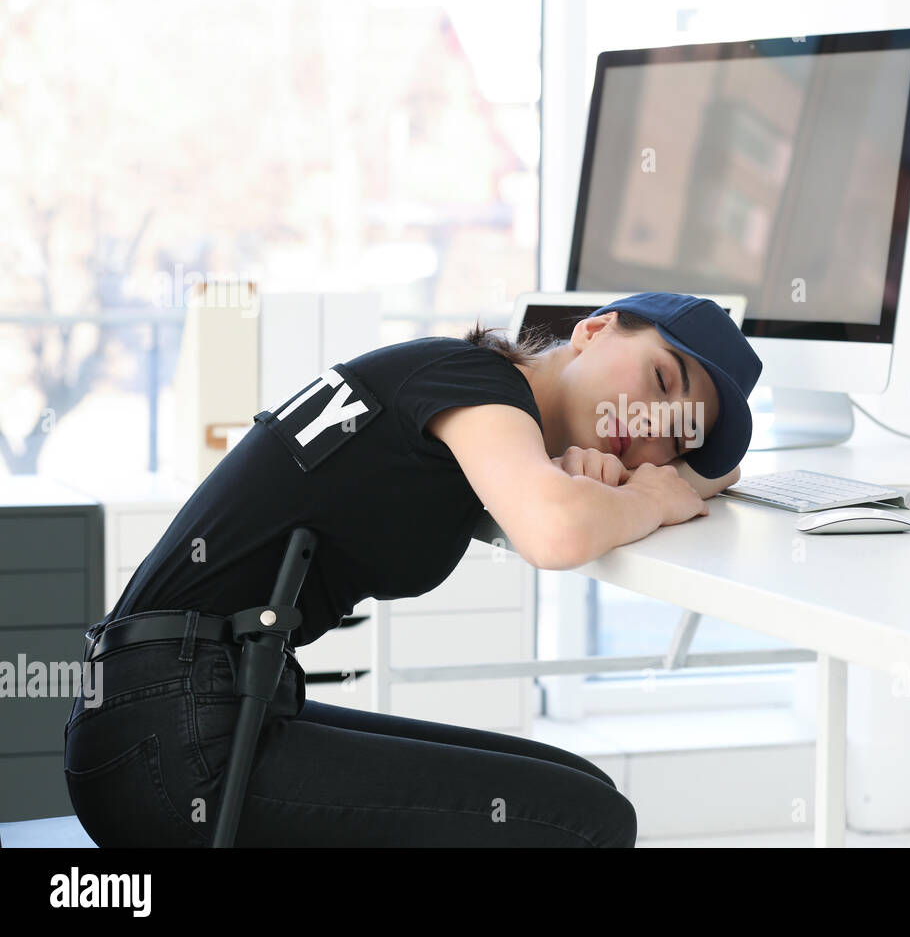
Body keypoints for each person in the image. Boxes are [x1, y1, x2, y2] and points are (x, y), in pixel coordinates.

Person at [63, 291, 763, 847]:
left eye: (675, 437)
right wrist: (646, 492)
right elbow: (555, 532)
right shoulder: (478, 386)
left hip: (174, 711)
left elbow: (693, 477)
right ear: (595, 327)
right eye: (661, 379)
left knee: (584, 787)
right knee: (583, 823)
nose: (648, 424)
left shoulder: (475, 399)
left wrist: (610, 477)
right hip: (170, 739)